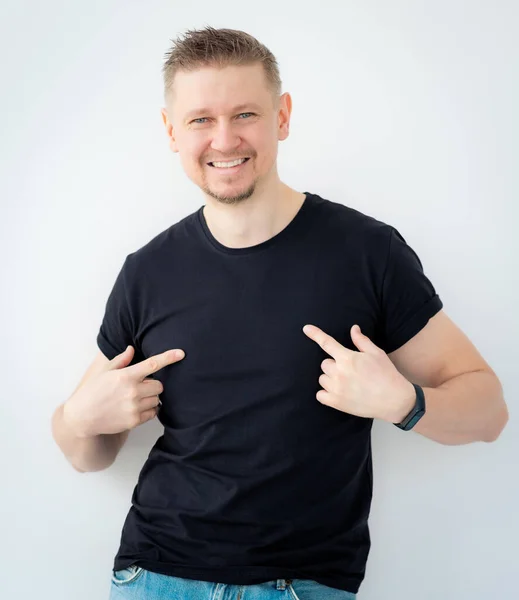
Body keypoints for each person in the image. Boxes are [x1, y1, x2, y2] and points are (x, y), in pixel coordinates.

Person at [51, 26, 508, 600]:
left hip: (303, 586)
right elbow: (87, 455)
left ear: (282, 117)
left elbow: (489, 411)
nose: (224, 140)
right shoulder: (146, 272)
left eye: (245, 114)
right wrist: (79, 418)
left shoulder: (368, 253)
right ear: (171, 131)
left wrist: (404, 403)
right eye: (200, 120)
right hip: (156, 577)